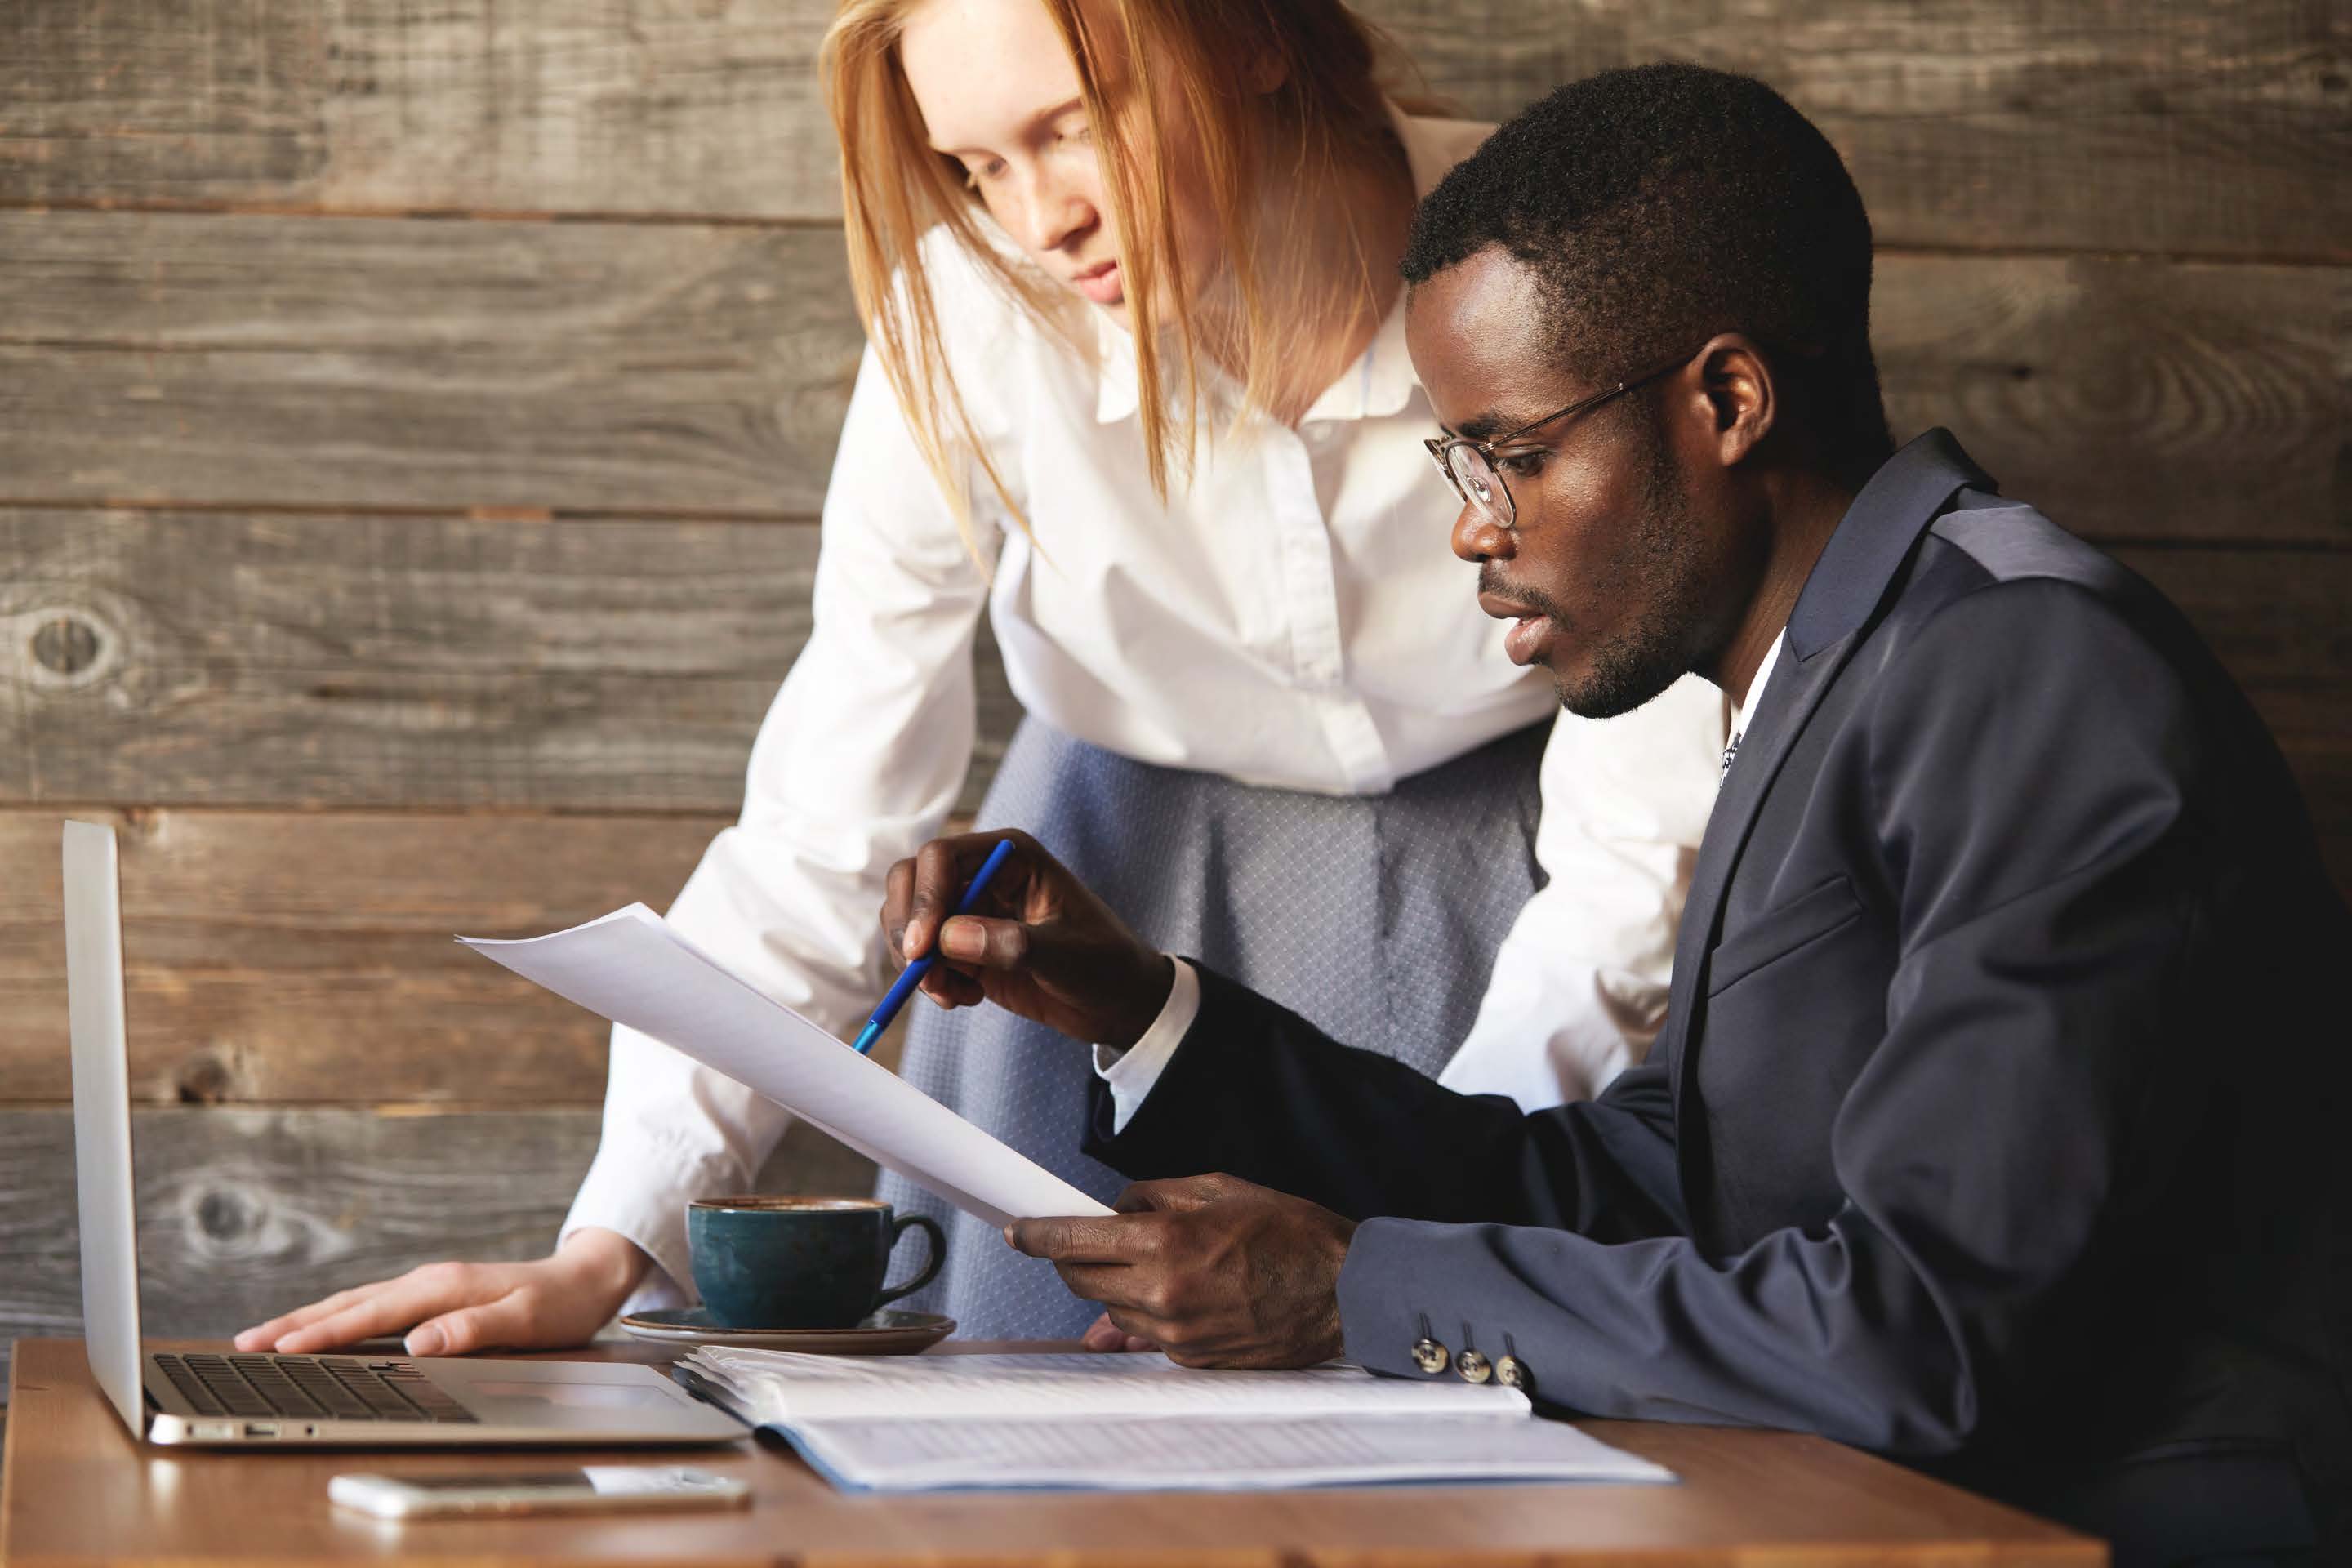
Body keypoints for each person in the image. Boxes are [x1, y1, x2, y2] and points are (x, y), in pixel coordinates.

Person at [875, 64, 2350, 1566]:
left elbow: (1927, 1335)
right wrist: (1147, 1010)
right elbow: (1637, 1192)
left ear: (1726, 402)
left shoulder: (2026, 671)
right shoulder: (1826, 681)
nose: (1473, 526)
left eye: (1512, 455)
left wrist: (1348, 1294)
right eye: (1461, 464)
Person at [235, 0, 1726, 1357]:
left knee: (1458, 1394)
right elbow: (826, 826)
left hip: (1525, 879)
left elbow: (1633, 851)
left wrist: (1421, 1250)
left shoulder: (1548, 265)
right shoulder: (964, 316)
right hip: (1097, 906)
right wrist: (609, 1243)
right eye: (976, 167)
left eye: (1077, 124)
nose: (1042, 215)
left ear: (1257, 34)